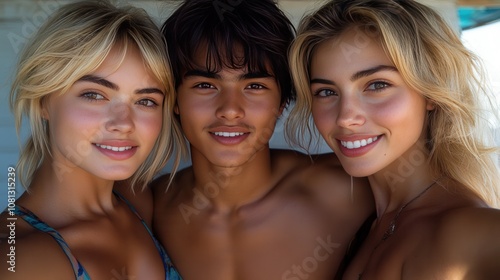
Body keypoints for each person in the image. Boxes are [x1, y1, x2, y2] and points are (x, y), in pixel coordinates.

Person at [148, 0, 374, 279]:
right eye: (205, 85)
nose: (230, 110)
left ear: (282, 101)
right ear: (175, 99)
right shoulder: (152, 207)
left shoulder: (349, 190)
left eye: (254, 86)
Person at [287, 0, 500, 279]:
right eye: (326, 92)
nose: (345, 117)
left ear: (431, 93)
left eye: (377, 85)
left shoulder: (476, 232)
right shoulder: (359, 227)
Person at [0, 1, 185, 279]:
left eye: (145, 100)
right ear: (43, 101)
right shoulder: (18, 259)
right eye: (94, 95)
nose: (123, 124)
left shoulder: (140, 201)